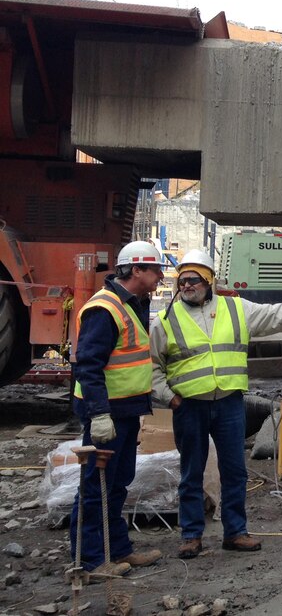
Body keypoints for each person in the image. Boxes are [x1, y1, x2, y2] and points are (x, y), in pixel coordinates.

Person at [150, 249, 282, 559]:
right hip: (189, 407)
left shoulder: (235, 309)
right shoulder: (165, 320)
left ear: (209, 280)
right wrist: (168, 396)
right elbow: (152, 367)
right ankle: (191, 535)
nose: (186, 285)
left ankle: (235, 532)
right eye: (182, 280)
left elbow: (277, 314)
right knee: (191, 472)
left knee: (235, 471)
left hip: (228, 403)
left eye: (194, 279)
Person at [70, 241, 167, 578]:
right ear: (136, 269)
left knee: (118, 483)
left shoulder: (134, 303)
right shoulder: (104, 309)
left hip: (124, 412)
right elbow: (88, 365)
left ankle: (118, 550)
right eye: (155, 269)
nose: (160, 275)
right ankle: (91, 560)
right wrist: (98, 414)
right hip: (106, 414)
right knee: (96, 486)